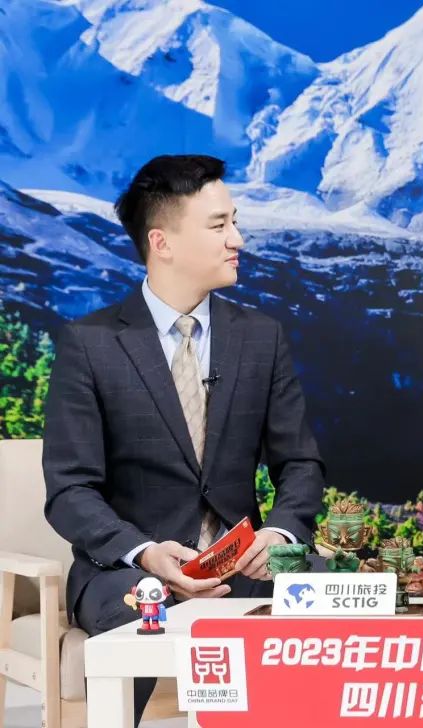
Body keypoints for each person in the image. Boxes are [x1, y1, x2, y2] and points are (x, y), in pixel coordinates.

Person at [43, 154, 325, 724]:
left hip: (244, 567)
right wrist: (145, 552)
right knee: (140, 612)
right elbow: (70, 490)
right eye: (219, 225)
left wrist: (279, 533)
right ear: (162, 242)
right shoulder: (90, 344)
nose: (237, 239)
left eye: (234, 222)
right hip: (129, 574)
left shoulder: (261, 338)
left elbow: (300, 464)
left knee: (338, 597)